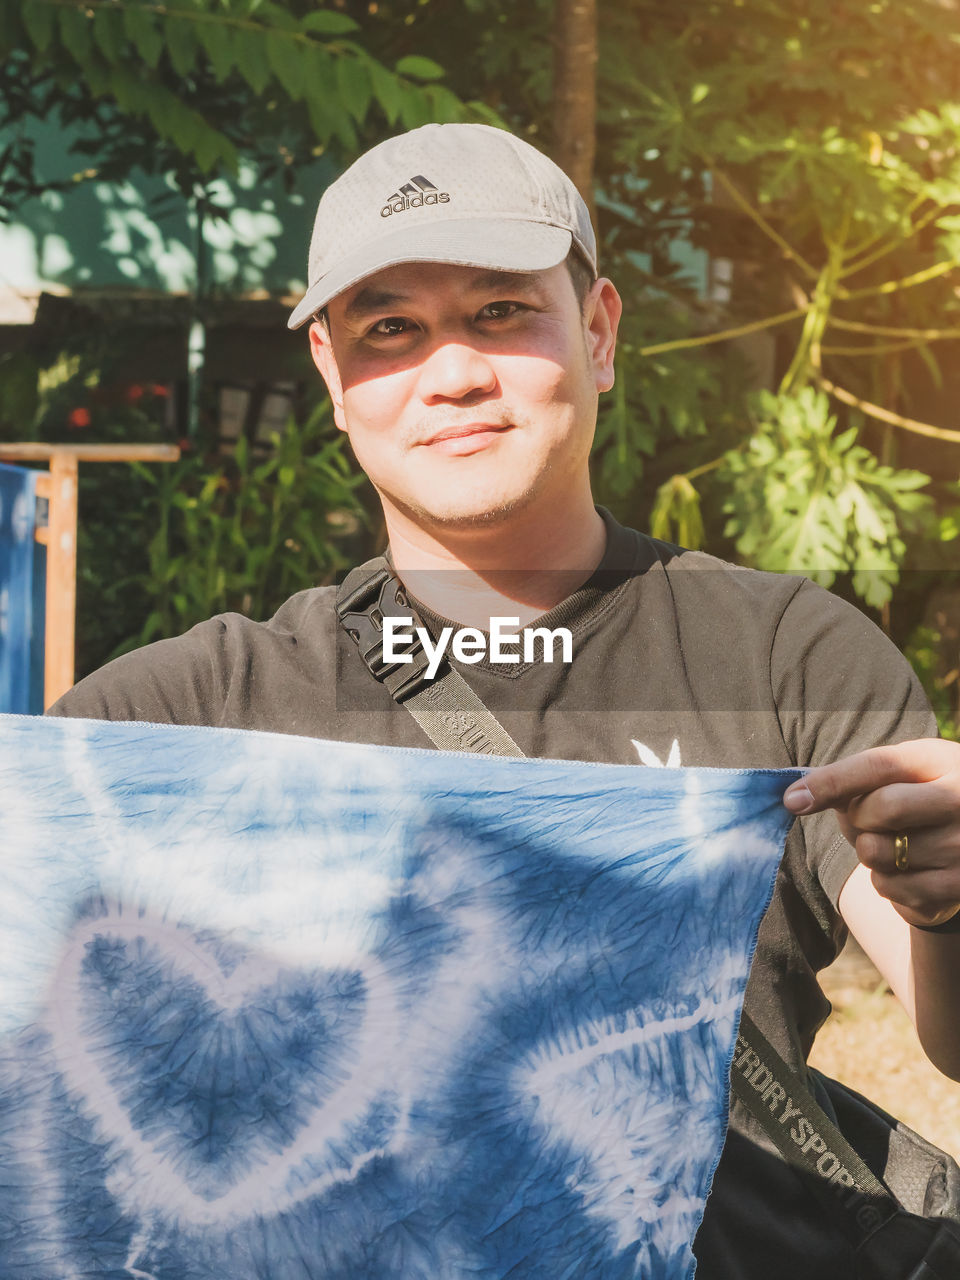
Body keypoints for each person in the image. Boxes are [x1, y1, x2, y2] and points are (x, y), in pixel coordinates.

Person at [50, 122, 960, 1275]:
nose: (454, 371)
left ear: (598, 331)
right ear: (334, 377)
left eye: (500, 312)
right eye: (392, 328)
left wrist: (949, 897)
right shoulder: (188, 707)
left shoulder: (782, 652)